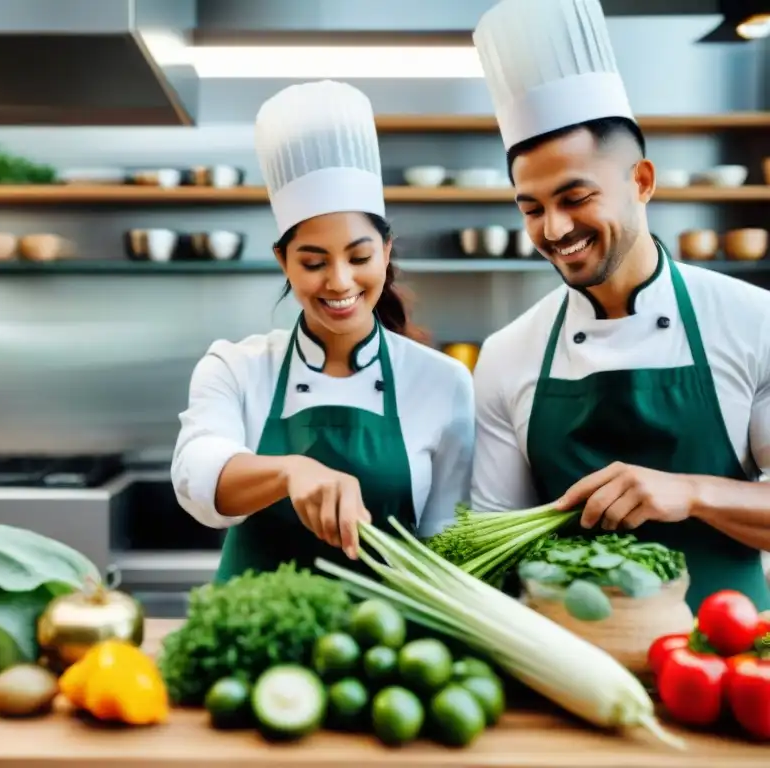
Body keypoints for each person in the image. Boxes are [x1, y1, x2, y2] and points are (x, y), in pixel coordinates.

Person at [469, 0, 770, 611]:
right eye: (530, 208)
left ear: (641, 181)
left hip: (726, 661)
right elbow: (490, 556)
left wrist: (691, 493)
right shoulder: (507, 355)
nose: (554, 228)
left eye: (576, 197)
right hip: (568, 669)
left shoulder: (753, 321)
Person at [172, 80, 475, 584]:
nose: (339, 282)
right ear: (283, 262)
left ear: (386, 250)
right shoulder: (237, 367)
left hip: (384, 645)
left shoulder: (443, 381)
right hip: (253, 637)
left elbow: (448, 538)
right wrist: (291, 471)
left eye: (359, 257)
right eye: (313, 262)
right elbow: (198, 479)